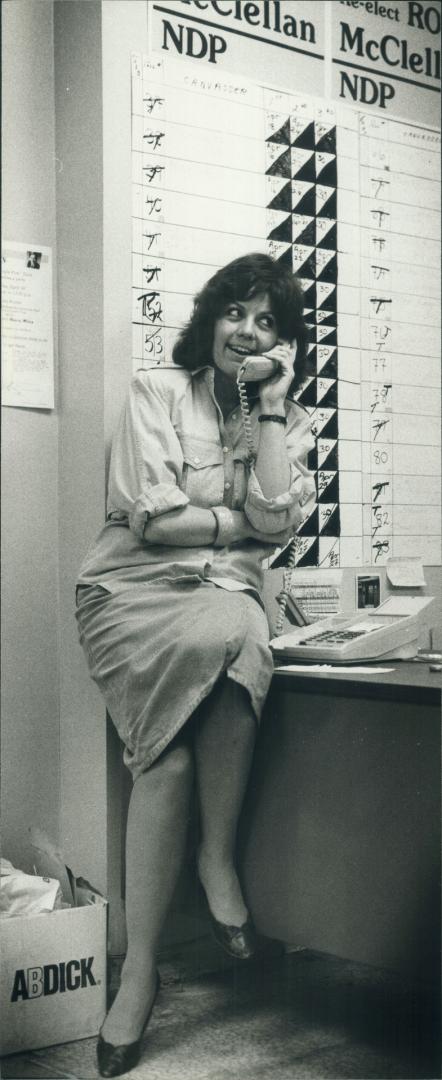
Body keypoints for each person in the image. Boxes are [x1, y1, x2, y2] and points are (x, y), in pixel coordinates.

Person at [75, 252, 316, 1077]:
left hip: (221, 600)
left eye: (268, 323)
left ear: (282, 346)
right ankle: (153, 951)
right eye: (235, 313)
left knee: (235, 646)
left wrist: (274, 411)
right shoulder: (156, 393)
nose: (246, 332)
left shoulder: (284, 419)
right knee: (200, 695)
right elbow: (152, 521)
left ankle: (196, 887)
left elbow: (278, 522)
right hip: (130, 593)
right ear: (210, 319)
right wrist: (235, 527)